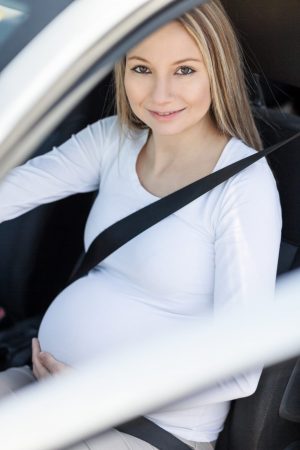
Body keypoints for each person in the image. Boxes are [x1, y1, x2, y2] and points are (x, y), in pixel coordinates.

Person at [0, 1, 282, 449]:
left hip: (149, 427)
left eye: (185, 70)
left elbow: (239, 368)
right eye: (142, 69)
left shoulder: (243, 187)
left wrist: (101, 391)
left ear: (218, 71)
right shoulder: (115, 139)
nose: (160, 95)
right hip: (48, 386)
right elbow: (10, 191)